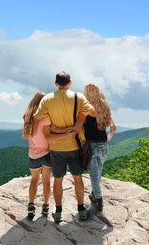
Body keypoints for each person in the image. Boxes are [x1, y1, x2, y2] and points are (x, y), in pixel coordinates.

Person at [34, 71, 95, 222]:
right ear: (70, 83)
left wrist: (54, 127)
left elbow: (37, 116)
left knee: (58, 179)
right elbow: (92, 112)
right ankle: (81, 209)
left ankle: (58, 211)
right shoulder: (78, 97)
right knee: (78, 178)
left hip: (56, 147)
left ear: (56, 83)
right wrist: (80, 118)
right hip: (75, 145)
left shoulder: (47, 99)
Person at [22, 91, 76, 219]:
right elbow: (51, 133)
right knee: (46, 181)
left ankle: (31, 206)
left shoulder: (27, 117)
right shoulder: (45, 117)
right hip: (46, 154)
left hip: (33, 154)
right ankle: (45, 207)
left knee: (34, 180)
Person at [83, 83, 116, 212]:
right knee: (98, 173)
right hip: (104, 145)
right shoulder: (105, 107)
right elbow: (113, 127)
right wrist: (107, 139)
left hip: (91, 146)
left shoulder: (86, 108)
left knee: (94, 175)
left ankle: (99, 199)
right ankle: (93, 195)